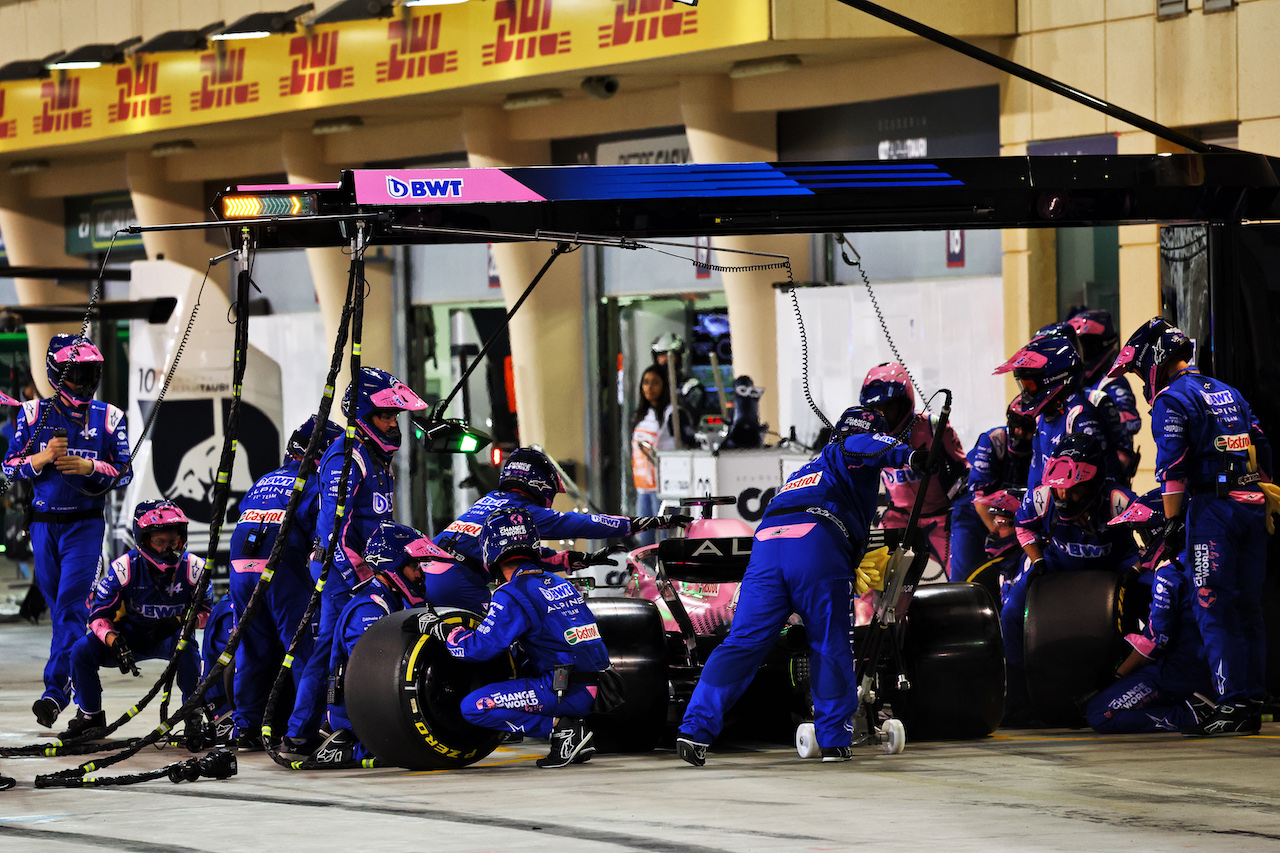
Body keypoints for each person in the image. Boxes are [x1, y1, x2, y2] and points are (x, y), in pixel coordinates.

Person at [675, 406, 932, 766]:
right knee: (829, 641)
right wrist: (913, 455)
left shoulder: (806, 470)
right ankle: (834, 739)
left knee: (742, 643)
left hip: (766, 544)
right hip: (815, 542)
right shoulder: (852, 448)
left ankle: (693, 731)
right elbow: (864, 444)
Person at [1109, 317, 1272, 735]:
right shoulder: (1228, 391)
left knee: (1213, 608)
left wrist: (1171, 522)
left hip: (1212, 510)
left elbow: (1175, 472)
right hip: (1252, 504)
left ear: (1154, 360)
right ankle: (1252, 699)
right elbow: (1259, 445)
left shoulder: (1170, 400)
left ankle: (1232, 707)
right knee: (1248, 608)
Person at [288, 367, 427, 754]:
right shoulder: (347, 457)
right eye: (385, 415)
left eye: (394, 416)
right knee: (334, 647)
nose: (392, 424)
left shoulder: (377, 459)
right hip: (340, 569)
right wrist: (358, 577)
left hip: (367, 570)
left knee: (356, 646)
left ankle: (324, 727)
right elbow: (335, 529)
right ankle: (314, 731)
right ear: (364, 415)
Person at [4, 334, 131, 730]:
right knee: (62, 613)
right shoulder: (29, 414)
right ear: (57, 375)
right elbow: (7, 471)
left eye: (91, 373)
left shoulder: (111, 417)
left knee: (73, 607)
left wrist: (90, 468)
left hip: (86, 525)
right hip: (42, 526)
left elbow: (124, 472)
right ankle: (81, 695)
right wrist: (41, 459)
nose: (84, 382)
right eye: (76, 374)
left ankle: (55, 693)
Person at [429, 506, 614, 769]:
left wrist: (449, 634)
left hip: (567, 689)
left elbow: (479, 649)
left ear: (489, 551)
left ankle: (563, 730)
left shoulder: (511, 593)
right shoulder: (558, 582)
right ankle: (572, 725)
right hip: (601, 685)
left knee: (474, 707)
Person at [227, 415, 343, 751]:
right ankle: (301, 730)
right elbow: (323, 537)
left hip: (240, 570)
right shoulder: (314, 483)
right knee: (302, 649)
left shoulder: (263, 480)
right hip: (281, 569)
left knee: (252, 650)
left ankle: (246, 728)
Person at [1003, 432, 1137, 719]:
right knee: (1012, 613)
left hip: (1118, 568)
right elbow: (1023, 526)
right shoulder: (1040, 497)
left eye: (1074, 489)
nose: (1064, 497)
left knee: (1161, 607)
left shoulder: (1119, 500)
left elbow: (1156, 530)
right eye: (1059, 490)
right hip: (1058, 564)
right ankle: (1019, 696)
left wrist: (1139, 570)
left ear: (1094, 482)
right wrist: (1037, 561)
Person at [61, 501, 208, 737]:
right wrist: (113, 641)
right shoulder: (123, 568)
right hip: (129, 636)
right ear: (143, 540)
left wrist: (180, 621)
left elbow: (206, 613)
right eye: (160, 542)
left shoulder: (195, 568)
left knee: (189, 650)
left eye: (173, 542)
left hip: (170, 638)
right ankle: (91, 715)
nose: (168, 549)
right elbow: (98, 615)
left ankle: (193, 716)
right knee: (81, 650)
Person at [436, 446, 690, 576]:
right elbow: (581, 523)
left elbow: (518, 554)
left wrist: (575, 559)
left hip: (430, 570)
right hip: (460, 579)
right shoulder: (522, 511)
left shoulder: (492, 500)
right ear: (539, 482)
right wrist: (642, 523)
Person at [316, 521, 448, 765]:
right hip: (359, 711)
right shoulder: (370, 608)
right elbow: (369, 677)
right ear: (394, 566)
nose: (420, 573)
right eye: (413, 565)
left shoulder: (395, 600)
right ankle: (348, 747)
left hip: (382, 702)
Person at [1085, 491, 1213, 734]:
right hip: (1212, 668)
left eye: (1143, 534)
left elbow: (1155, 644)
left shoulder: (1168, 573)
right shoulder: (1208, 557)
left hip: (1178, 673)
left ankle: (1190, 716)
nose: (1141, 545)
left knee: (1100, 713)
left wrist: (1116, 676)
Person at [859, 362, 967, 570]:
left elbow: (963, 473)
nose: (882, 416)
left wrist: (959, 510)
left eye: (888, 407)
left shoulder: (934, 426)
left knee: (962, 568)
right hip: (898, 517)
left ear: (904, 402)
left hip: (941, 518)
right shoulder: (869, 437)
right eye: (876, 410)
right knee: (869, 574)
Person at [999, 331, 1107, 493]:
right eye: (1023, 386)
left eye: (1030, 386)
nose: (1025, 394)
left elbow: (1091, 486)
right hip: (1054, 510)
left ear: (1053, 379)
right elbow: (1036, 482)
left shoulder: (1080, 416)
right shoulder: (1043, 417)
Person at [948, 398, 1034, 582]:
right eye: (1016, 425)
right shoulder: (993, 440)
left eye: (1026, 427)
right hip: (973, 514)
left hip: (1014, 522)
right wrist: (1000, 535)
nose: (1019, 431)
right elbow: (979, 499)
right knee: (963, 579)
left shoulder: (1042, 443)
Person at [1067, 309, 1143, 485]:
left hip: (1108, 474)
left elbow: (1133, 422)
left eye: (1084, 347)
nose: (1080, 355)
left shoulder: (1112, 382)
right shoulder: (1078, 382)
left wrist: (1103, 420)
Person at [630, 364, 694, 545]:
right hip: (644, 486)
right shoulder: (642, 414)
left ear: (664, 386)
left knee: (666, 539)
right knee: (646, 540)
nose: (649, 388)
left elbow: (686, 444)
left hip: (665, 487)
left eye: (655, 383)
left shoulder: (672, 414)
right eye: (646, 382)